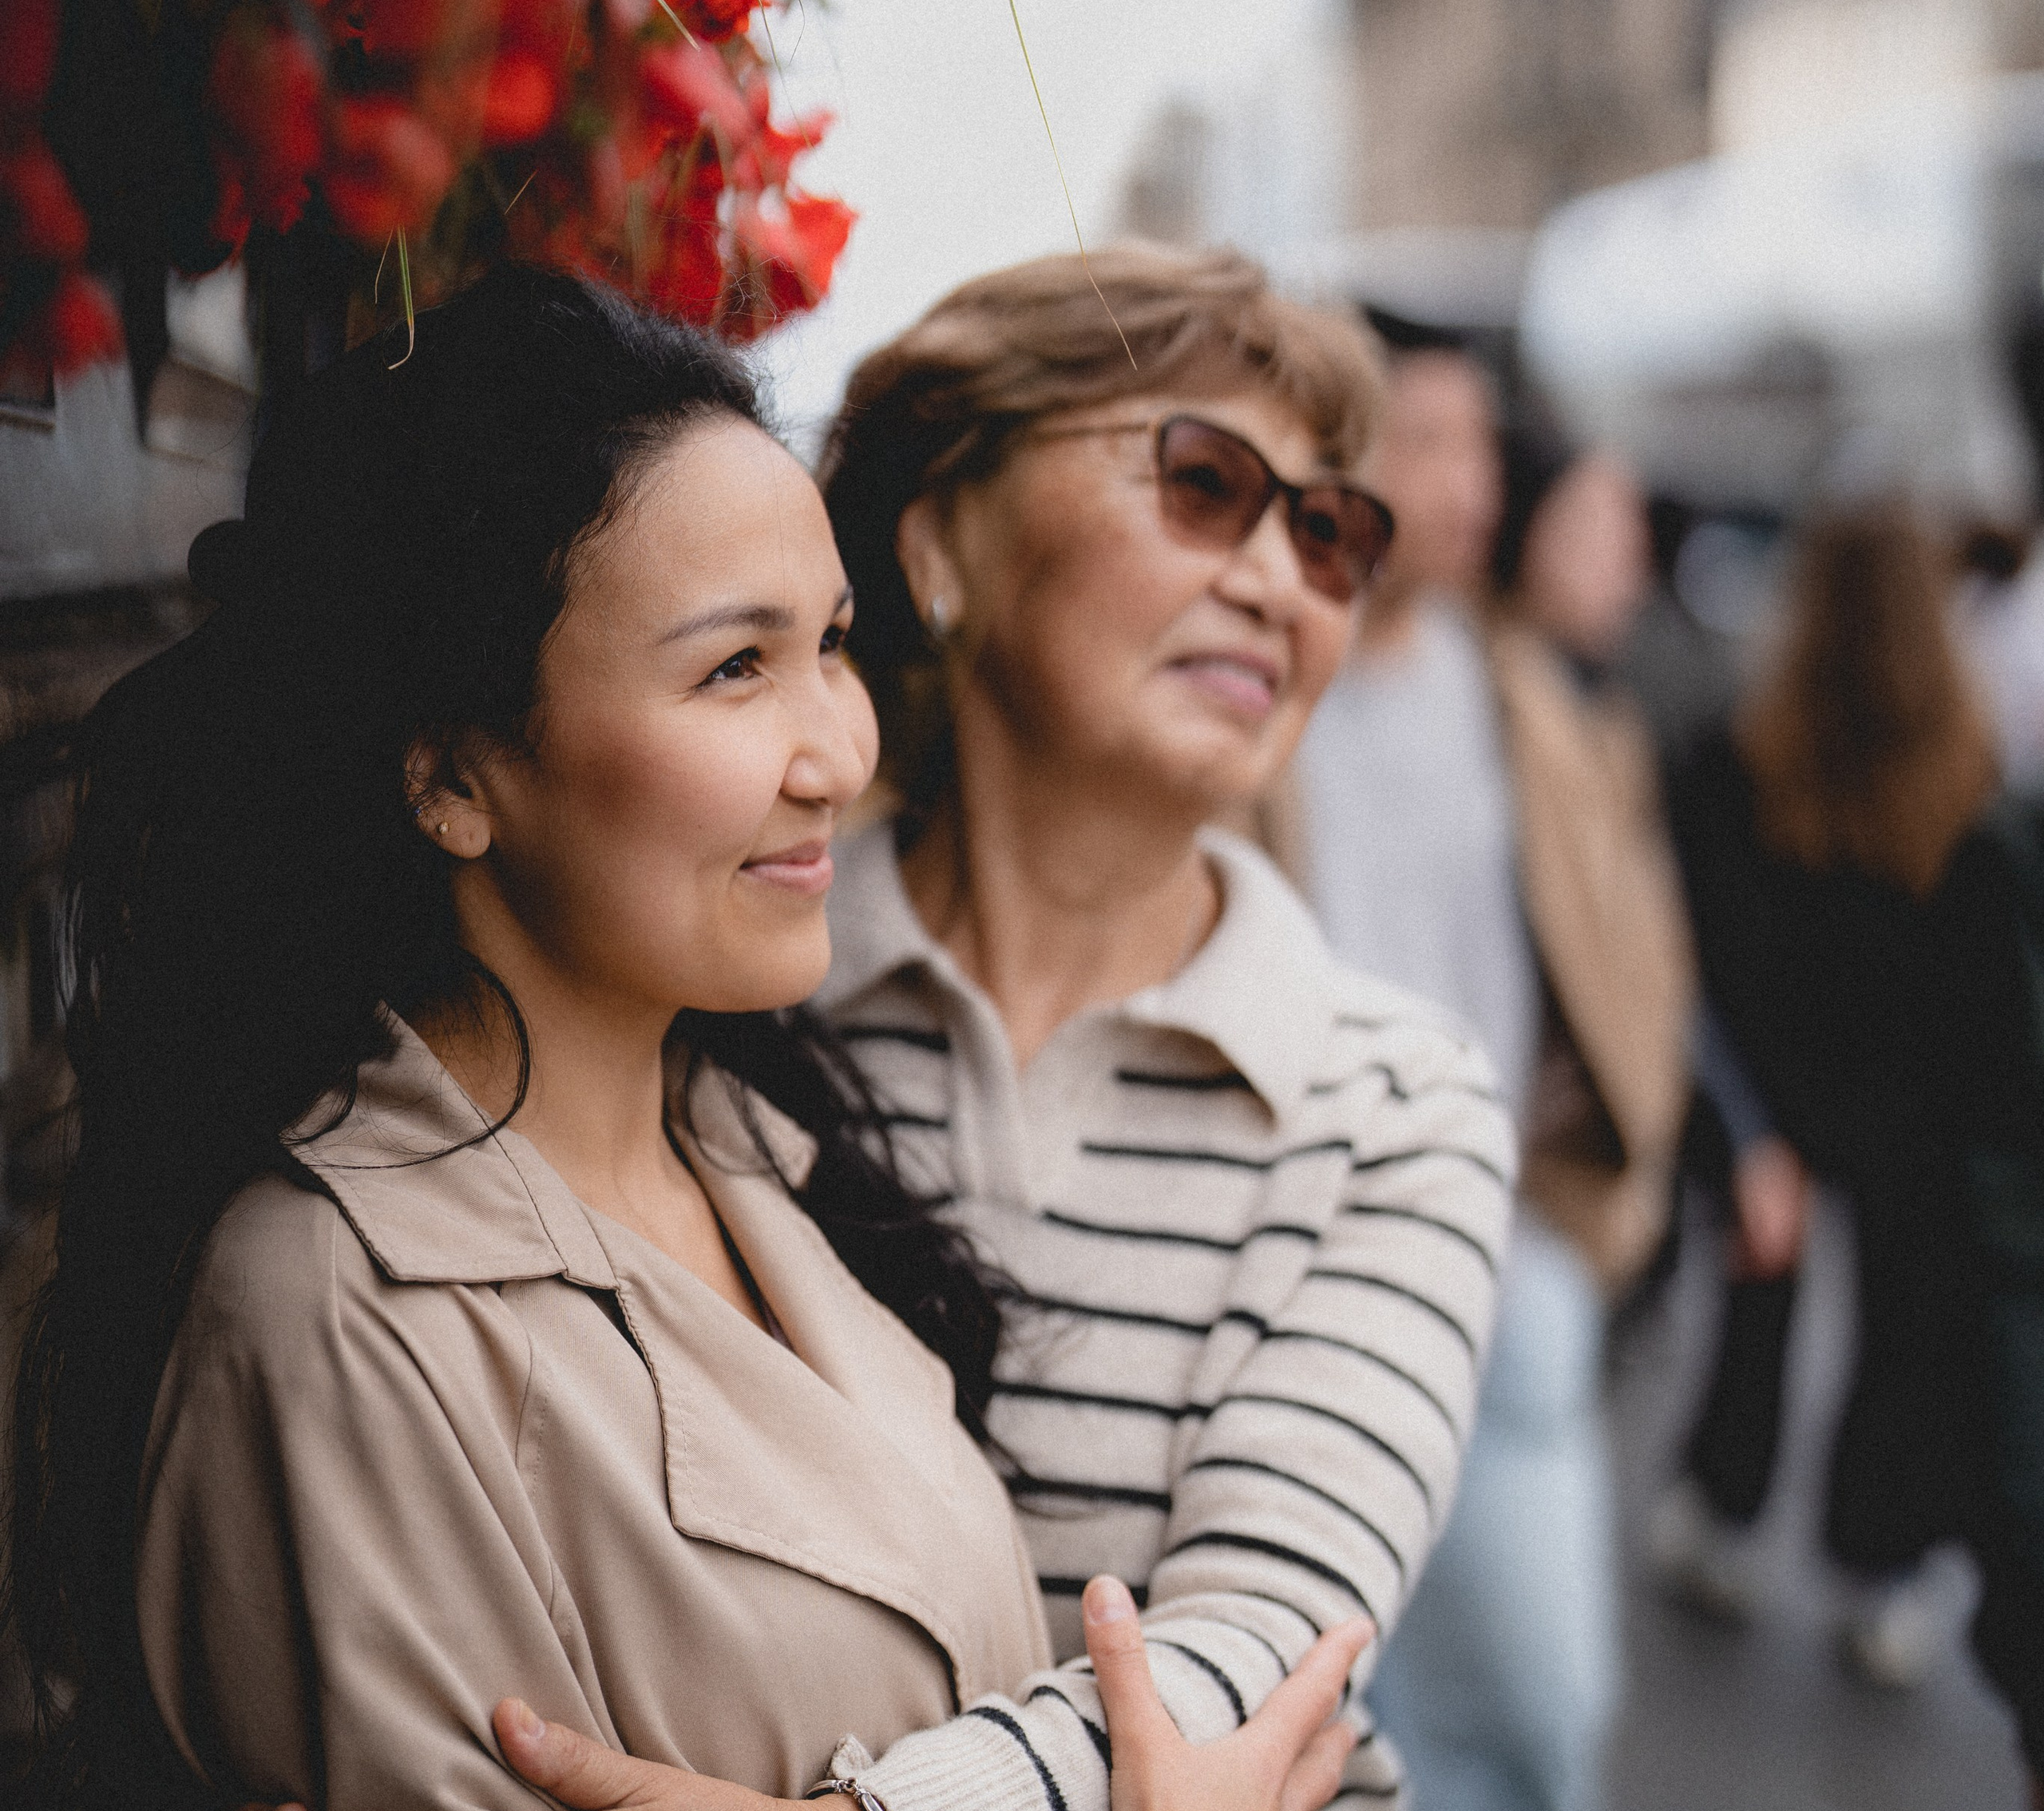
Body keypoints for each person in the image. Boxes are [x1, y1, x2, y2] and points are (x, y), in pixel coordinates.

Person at [8, 265, 1367, 1811]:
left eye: (833, 644)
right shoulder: (329, 1311)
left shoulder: (741, 1139)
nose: (835, 752)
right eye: (734, 667)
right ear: (455, 773)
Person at [494, 244, 1517, 1811]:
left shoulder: (1393, 1102)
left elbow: (1258, 1653)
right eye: (1200, 482)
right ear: (938, 544)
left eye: (1329, 530)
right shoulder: (721, 1006)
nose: (1274, 577)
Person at [1289, 334, 1692, 1811]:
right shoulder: (1266, 683)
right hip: (1306, 1268)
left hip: (1509, 1249)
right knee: (1335, 1710)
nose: (1462, 483)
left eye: (1477, 446)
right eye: (1421, 439)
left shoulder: (1520, 690)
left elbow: (1632, 934)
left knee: (1544, 1712)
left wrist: (1618, 1118)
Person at [1650, 502, 2012, 1692]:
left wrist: (1755, 1133)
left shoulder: (1737, 754)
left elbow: (1707, 954)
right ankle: (1881, 1562)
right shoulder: (1969, 774)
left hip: (1784, 1096)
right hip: (1915, 1109)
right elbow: (1976, 983)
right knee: (1909, 1329)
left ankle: (1724, 1504)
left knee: (1761, 1302)